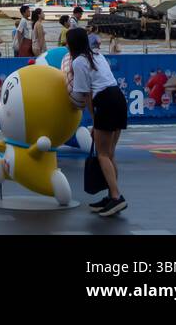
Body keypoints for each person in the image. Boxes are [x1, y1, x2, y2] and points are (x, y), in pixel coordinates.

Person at [64, 27, 128, 218]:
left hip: (105, 102)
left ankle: (116, 197)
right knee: (110, 154)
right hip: (118, 98)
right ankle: (112, 195)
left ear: (71, 45)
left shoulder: (78, 63)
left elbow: (83, 96)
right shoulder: (97, 55)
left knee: (102, 155)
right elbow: (93, 91)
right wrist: (95, 122)